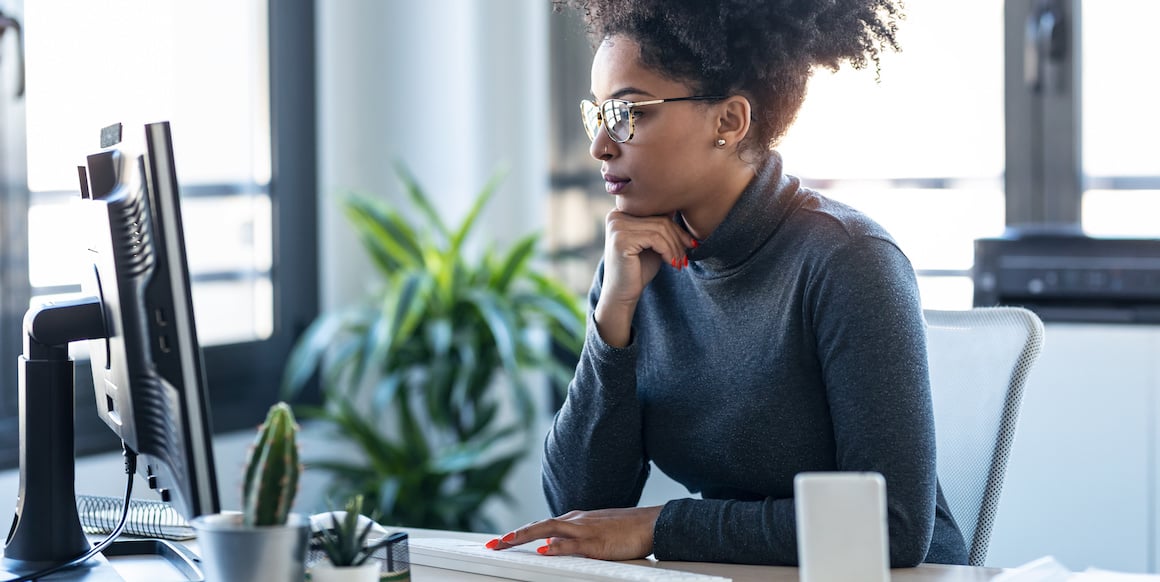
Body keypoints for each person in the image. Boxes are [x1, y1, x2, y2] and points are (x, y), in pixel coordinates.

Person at [487, 0, 969, 567]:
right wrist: (612, 320)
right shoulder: (635, 266)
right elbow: (582, 509)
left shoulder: (849, 260)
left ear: (729, 122)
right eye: (597, 115)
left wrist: (660, 527)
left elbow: (891, 527)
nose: (600, 145)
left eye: (628, 113)